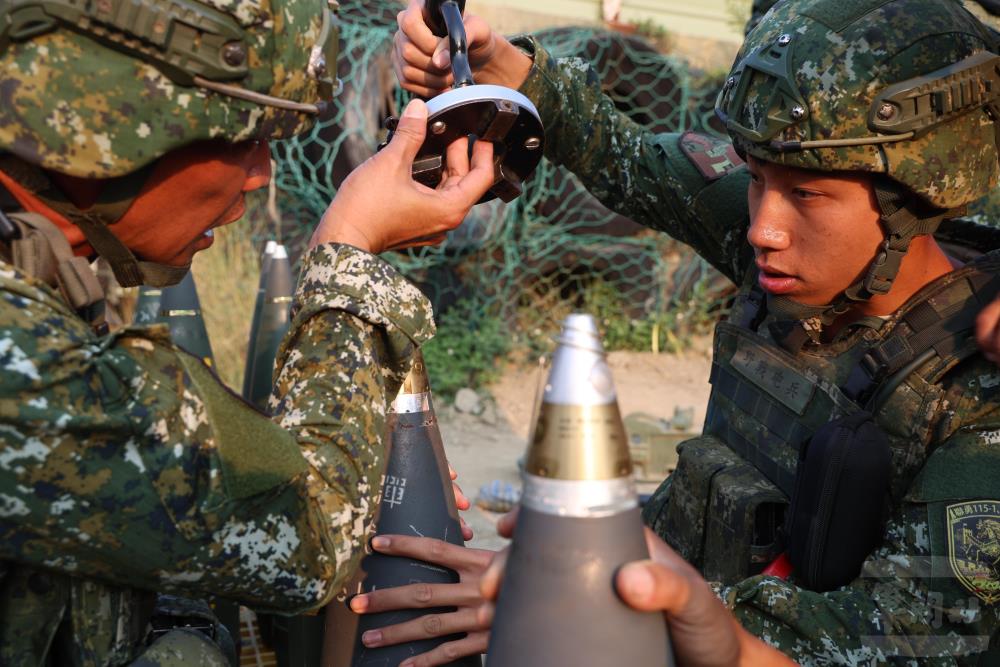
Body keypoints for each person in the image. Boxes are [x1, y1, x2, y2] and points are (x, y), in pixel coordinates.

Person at [375, 0, 1000, 664]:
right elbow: (628, 158)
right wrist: (501, 67)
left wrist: (602, 603)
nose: (763, 228)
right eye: (756, 179)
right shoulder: (785, 254)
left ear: (918, 196)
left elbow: (911, 637)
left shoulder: (974, 389)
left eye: (808, 195)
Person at [0, 0, 497, 663]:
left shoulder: (34, 278)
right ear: (101, 121)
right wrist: (348, 248)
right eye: (243, 134)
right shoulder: (22, 361)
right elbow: (312, 536)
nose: (262, 172)